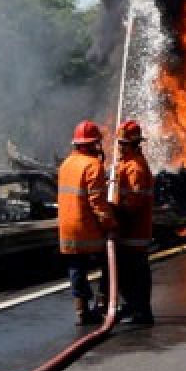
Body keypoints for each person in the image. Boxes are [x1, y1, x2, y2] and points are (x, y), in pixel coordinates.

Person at [57, 120, 117, 326]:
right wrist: (109, 223)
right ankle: (102, 304)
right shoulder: (93, 165)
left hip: (67, 228)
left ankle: (81, 310)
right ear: (92, 144)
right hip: (87, 227)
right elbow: (97, 201)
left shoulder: (65, 165)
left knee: (76, 268)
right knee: (108, 264)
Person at [113, 120, 155, 326]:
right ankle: (133, 306)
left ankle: (141, 312)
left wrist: (115, 211)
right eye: (119, 143)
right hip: (129, 231)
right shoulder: (127, 164)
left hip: (135, 231)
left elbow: (134, 203)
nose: (119, 147)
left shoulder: (135, 168)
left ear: (134, 144)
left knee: (136, 272)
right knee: (129, 272)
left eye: (123, 144)